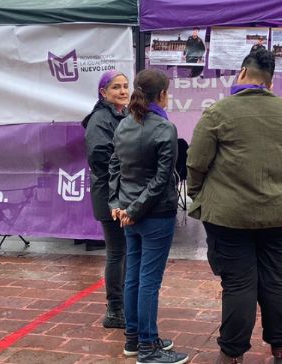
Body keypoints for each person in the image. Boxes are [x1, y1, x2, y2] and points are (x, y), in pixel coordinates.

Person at [187, 48, 282, 364]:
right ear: (270, 81)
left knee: (239, 282)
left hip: (231, 214)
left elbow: (196, 163)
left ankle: (231, 354)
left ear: (241, 73)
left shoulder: (217, 113)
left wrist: (197, 195)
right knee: (276, 278)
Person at [108, 69, 187, 364]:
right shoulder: (164, 128)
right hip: (152, 214)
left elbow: (114, 168)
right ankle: (146, 347)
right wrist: (132, 209)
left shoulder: (124, 124)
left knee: (134, 277)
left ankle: (137, 338)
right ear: (162, 95)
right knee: (148, 281)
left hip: (131, 212)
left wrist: (120, 205)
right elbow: (162, 179)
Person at [82, 70, 129, 328]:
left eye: (125, 86)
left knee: (124, 251)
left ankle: (123, 304)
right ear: (103, 93)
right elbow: (100, 158)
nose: (122, 91)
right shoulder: (100, 118)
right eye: (116, 88)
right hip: (110, 196)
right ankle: (114, 310)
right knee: (117, 252)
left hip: (122, 193)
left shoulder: (121, 115)